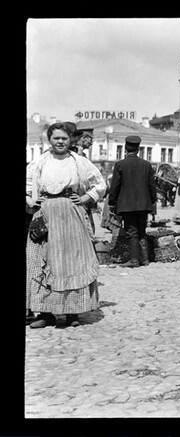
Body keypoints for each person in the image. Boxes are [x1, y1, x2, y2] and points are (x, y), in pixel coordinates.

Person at [26, 122, 107, 328]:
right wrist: (30, 201)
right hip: (45, 215)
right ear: (49, 140)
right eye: (56, 138)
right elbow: (26, 184)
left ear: (70, 140)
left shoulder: (80, 162)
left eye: (64, 138)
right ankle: (46, 313)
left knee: (72, 261)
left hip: (71, 215)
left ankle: (72, 314)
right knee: (42, 262)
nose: (60, 142)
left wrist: (86, 197)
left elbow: (100, 184)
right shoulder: (40, 162)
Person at [108, 135, 157, 268]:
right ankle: (145, 259)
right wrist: (152, 200)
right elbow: (152, 186)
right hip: (143, 204)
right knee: (142, 231)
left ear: (126, 147)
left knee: (132, 232)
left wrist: (111, 202)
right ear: (138, 149)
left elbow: (115, 186)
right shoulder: (147, 165)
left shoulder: (120, 164)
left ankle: (134, 260)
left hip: (127, 205)